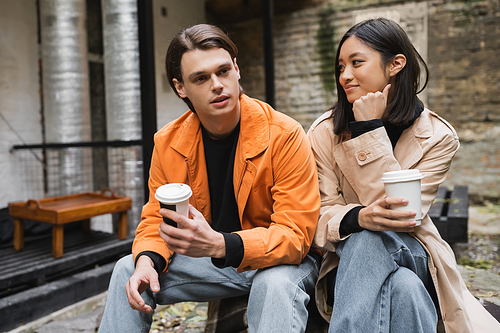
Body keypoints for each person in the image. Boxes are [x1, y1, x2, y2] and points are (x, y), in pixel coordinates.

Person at [98, 24, 321, 333]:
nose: (217, 85)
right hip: (215, 264)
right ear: (181, 88)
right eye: (201, 78)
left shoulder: (284, 135)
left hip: (281, 262)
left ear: (237, 70)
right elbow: (155, 219)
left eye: (223, 71)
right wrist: (148, 260)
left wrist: (220, 244)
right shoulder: (168, 142)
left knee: (274, 284)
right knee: (129, 268)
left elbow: (296, 235)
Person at [307, 18, 500, 332]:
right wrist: (360, 218)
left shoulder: (438, 137)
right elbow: (319, 213)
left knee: (371, 240)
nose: (345, 75)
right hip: (344, 262)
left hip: (413, 249)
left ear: (396, 64)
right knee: (404, 287)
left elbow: (399, 213)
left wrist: (368, 130)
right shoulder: (324, 133)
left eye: (356, 63)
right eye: (340, 66)